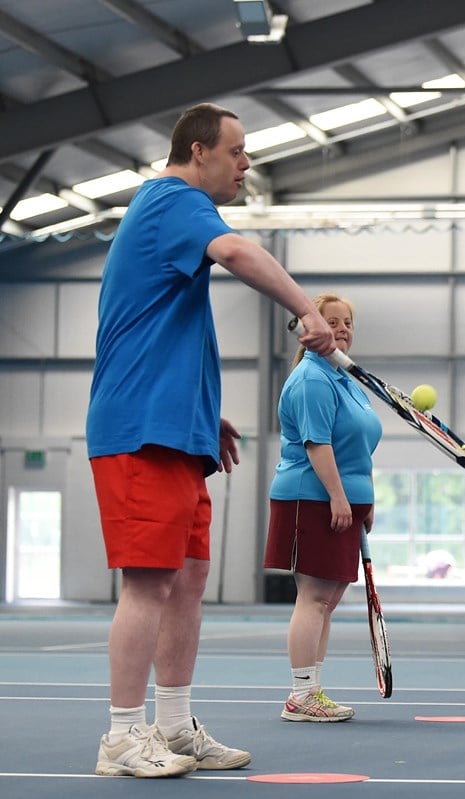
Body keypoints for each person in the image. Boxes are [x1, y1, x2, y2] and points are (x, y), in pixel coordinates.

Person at [87, 103, 335, 778]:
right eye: (237, 151)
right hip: (138, 430)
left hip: (176, 431)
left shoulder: (172, 212)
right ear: (199, 152)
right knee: (148, 584)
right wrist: (307, 308)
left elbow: (160, 328)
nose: (245, 163)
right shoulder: (171, 200)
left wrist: (203, 414)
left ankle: (172, 725)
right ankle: (120, 736)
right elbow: (236, 250)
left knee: (189, 580)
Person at [264, 293, 382, 722]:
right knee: (314, 598)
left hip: (343, 499)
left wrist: (363, 497)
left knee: (326, 601)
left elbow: (359, 447)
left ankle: (312, 690)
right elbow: (318, 443)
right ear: (308, 328)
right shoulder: (313, 379)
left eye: (347, 321)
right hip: (310, 497)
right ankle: (301, 695)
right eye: (331, 321)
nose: (342, 328)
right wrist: (338, 495)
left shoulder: (347, 379)